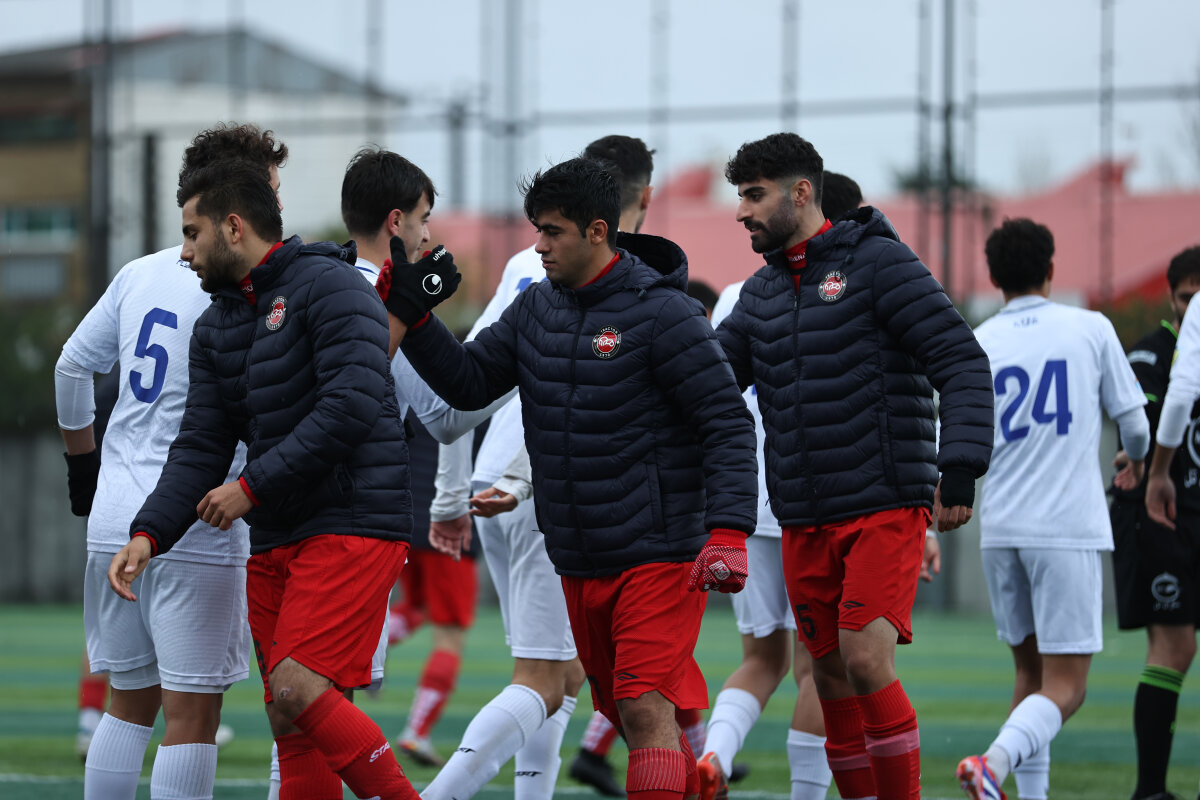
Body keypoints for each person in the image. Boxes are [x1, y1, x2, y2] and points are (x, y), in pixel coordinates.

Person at [393, 155, 759, 800]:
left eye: (552, 231)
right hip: (578, 554)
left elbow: (727, 422)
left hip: (658, 552)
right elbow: (470, 383)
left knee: (643, 708)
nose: (539, 245)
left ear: (597, 231)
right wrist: (417, 317)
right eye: (537, 229)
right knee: (621, 707)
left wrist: (729, 530)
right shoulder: (536, 306)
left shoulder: (664, 313)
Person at [106, 157, 448, 800]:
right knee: (288, 722)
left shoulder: (331, 284)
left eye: (192, 233)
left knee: (296, 687)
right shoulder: (216, 325)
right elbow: (201, 445)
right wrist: (149, 533)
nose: (185, 253)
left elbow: (351, 405)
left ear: (233, 227)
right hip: (277, 536)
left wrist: (251, 487)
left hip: (352, 523)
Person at [715, 132, 994, 800]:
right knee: (830, 677)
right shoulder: (760, 292)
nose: (742, 212)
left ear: (800, 193)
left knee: (865, 660)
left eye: (754, 195)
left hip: (883, 503)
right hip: (801, 515)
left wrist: (959, 466)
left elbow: (960, 359)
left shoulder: (878, 262)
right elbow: (706, 385)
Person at [55, 124, 286, 800]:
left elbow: (71, 369)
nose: (277, 202)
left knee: (127, 703)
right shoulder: (247, 282)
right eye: (270, 186)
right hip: (198, 520)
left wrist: (84, 475)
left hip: (116, 517)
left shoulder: (140, 273)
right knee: (192, 716)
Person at [958, 218, 1149, 800]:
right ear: (1051, 269)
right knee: (1068, 686)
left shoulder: (979, 340)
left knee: (1031, 675)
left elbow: (960, 433)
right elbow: (1135, 426)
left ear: (994, 278)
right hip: (1065, 528)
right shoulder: (1089, 327)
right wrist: (1136, 461)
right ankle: (991, 764)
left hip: (1001, 529)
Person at [337, 145, 513, 770]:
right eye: (424, 218)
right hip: (355, 517)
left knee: (290, 703)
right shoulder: (386, 299)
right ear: (396, 222)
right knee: (317, 698)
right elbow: (444, 417)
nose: (428, 234)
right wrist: (519, 370)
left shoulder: (306, 276)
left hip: (272, 506)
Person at [695, 169, 866, 800]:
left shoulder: (738, 293)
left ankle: (714, 756)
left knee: (759, 659)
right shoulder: (845, 286)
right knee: (821, 667)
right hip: (810, 502)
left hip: (746, 500)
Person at [1111, 245, 1200, 800]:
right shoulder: (1151, 352)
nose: (1193, 308)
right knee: (1173, 648)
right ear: (1170, 298)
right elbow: (1139, 421)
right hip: (1162, 516)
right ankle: (1150, 791)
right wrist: (1144, 460)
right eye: (1186, 298)